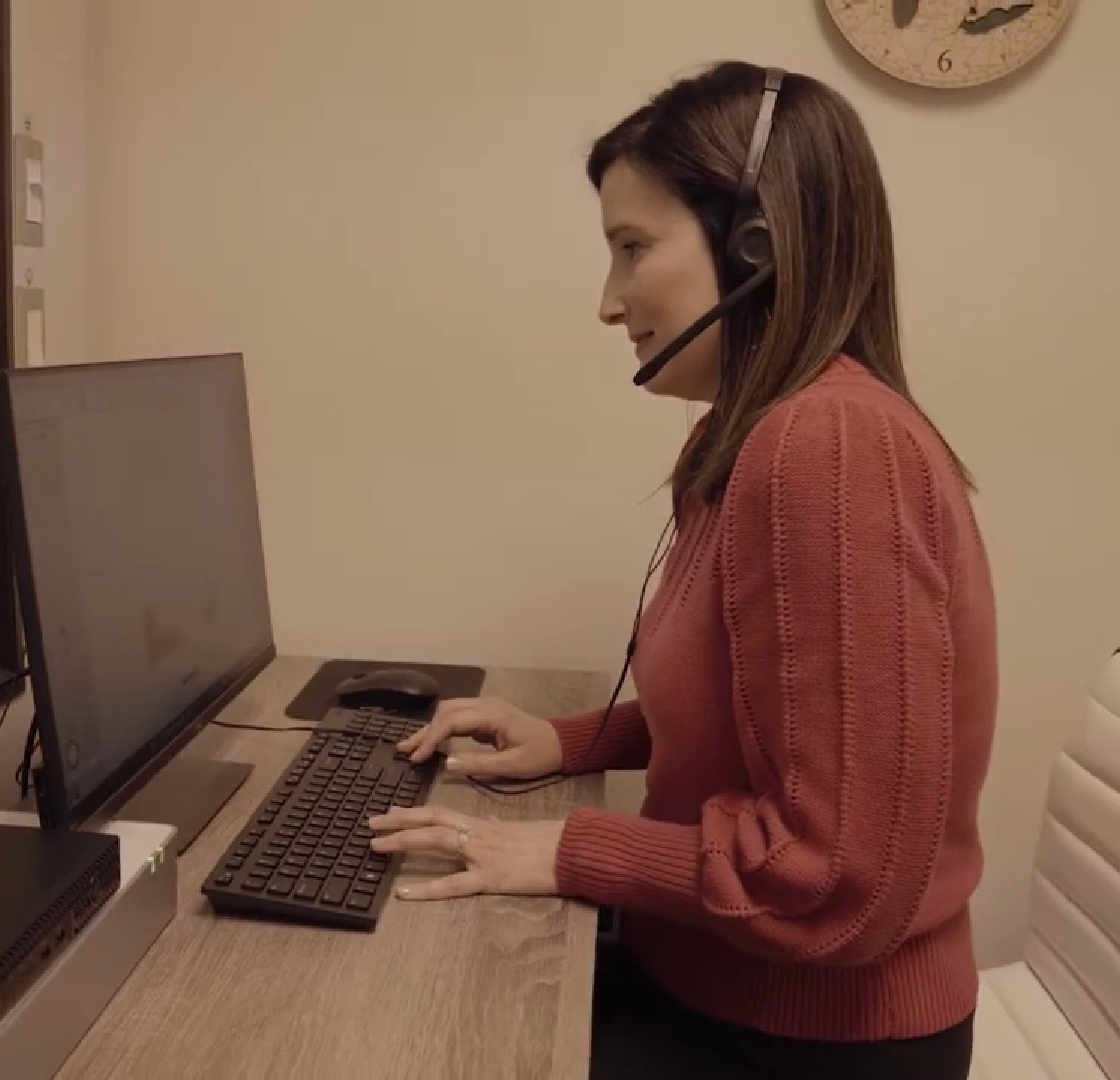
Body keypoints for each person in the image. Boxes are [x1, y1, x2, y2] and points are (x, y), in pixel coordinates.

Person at [367, 60, 997, 1080]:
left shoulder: (828, 448)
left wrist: (569, 851)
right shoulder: (753, 441)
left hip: (804, 1041)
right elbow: (770, 714)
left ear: (756, 245)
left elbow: (838, 876)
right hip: (719, 985)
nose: (611, 304)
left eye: (632, 249)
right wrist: (569, 742)